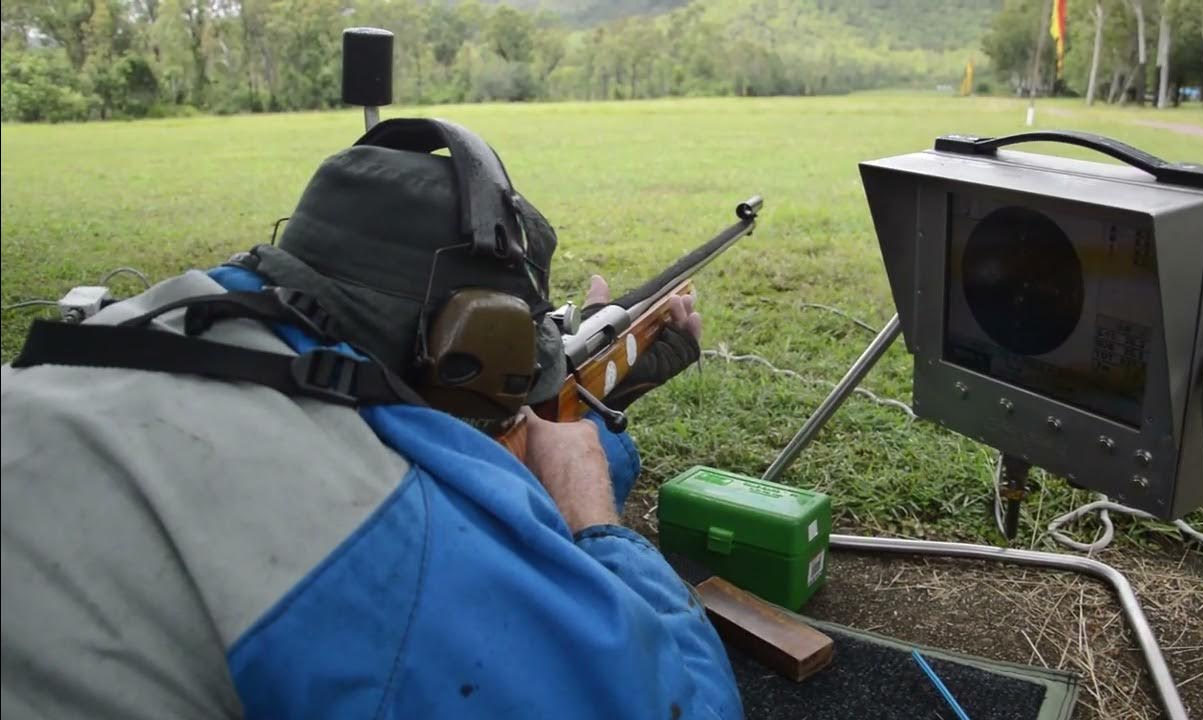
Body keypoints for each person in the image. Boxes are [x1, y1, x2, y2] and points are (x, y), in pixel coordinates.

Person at [0, 119, 742, 719]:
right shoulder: (374, 528)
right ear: (469, 349)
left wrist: (604, 398)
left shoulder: (146, 325)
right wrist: (590, 509)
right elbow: (674, 701)